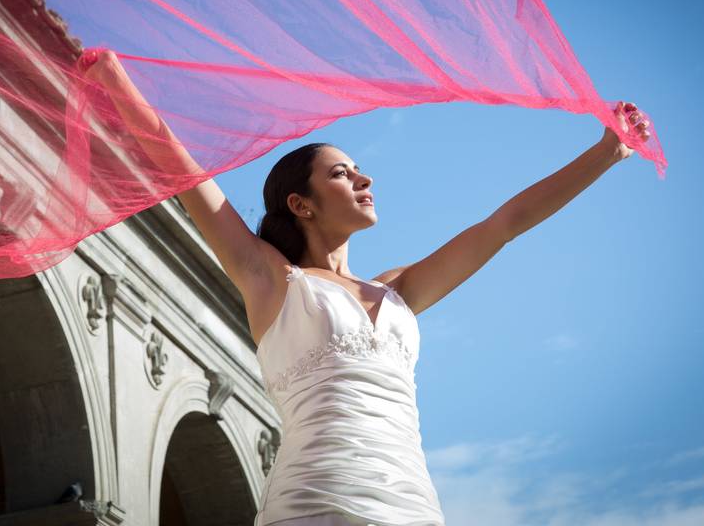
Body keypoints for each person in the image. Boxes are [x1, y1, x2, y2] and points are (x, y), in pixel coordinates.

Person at [79, 49, 651, 525]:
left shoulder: (399, 290)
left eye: (358, 169)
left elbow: (503, 225)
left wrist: (604, 154)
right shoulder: (272, 279)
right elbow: (185, 172)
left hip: (412, 504)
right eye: (341, 172)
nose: (363, 177)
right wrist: (111, 77)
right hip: (314, 503)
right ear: (300, 204)